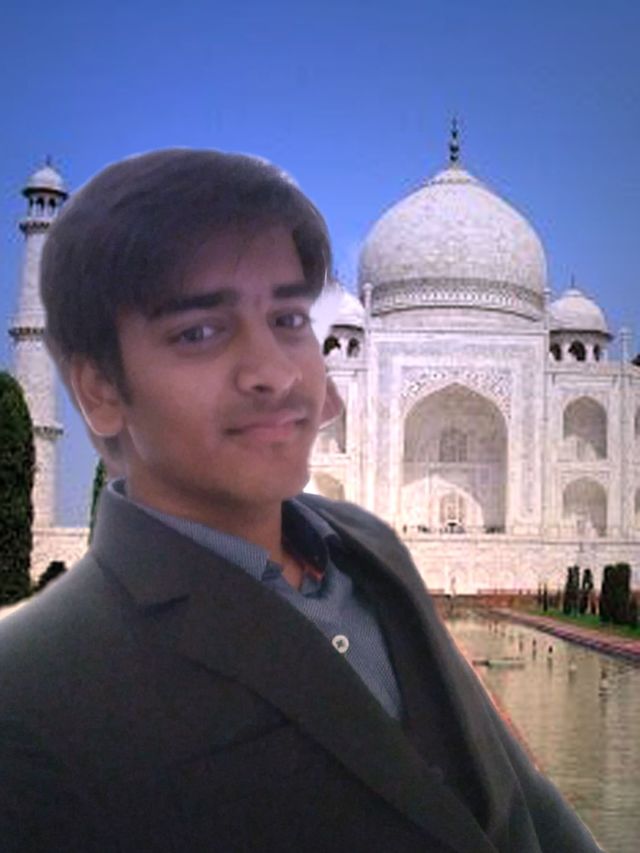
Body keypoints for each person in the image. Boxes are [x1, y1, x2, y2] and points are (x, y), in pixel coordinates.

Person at [0, 149, 601, 852]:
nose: (269, 374)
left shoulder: (371, 555)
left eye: (287, 322)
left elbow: (515, 796)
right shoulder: (37, 686)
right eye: (199, 333)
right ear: (100, 388)